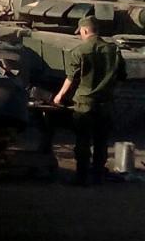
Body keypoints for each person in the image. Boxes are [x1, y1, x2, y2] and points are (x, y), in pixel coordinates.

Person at [53, 16, 126, 184]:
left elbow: (71, 78)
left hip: (84, 104)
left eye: (81, 33)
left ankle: (82, 177)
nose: (81, 36)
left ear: (85, 31)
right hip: (106, 103)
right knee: (101, 141)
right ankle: (98, 174)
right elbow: (121, 77)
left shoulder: (80, 51)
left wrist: (59, 96)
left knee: (83, 141)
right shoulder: (114, 50)